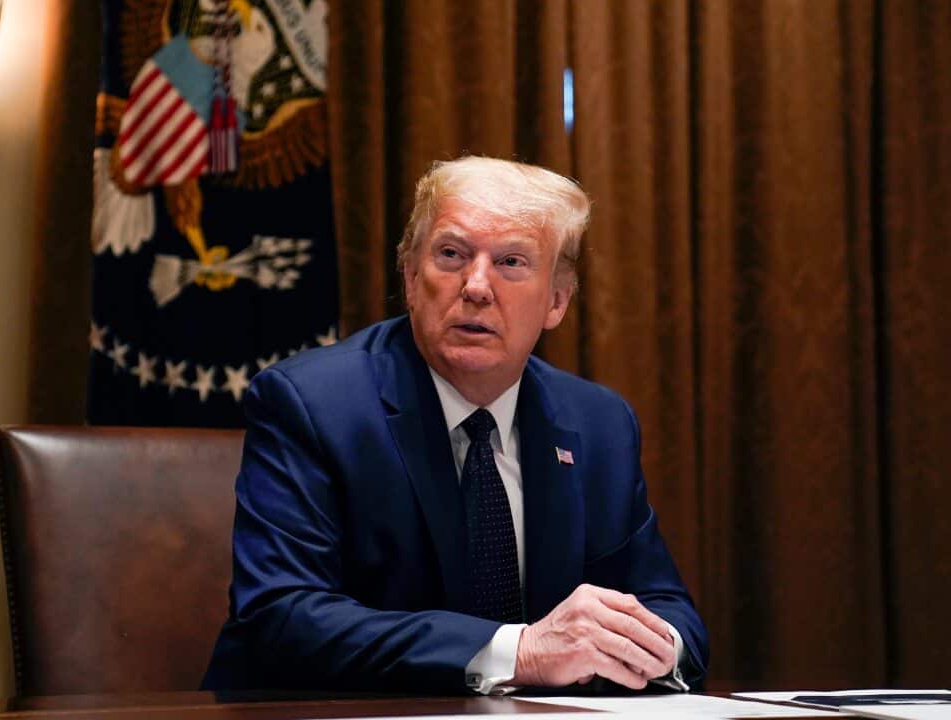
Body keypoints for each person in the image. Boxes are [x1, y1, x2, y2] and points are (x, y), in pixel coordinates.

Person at [201, 156, 708, 694]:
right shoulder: (312, 405)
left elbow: (670, 613)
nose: (477, 286)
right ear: (411, 275)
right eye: (451, 254)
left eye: (512, 262)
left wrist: (648, 646)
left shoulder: (599, 423)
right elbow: (281, 617)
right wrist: (521, 651)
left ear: (557, 300)